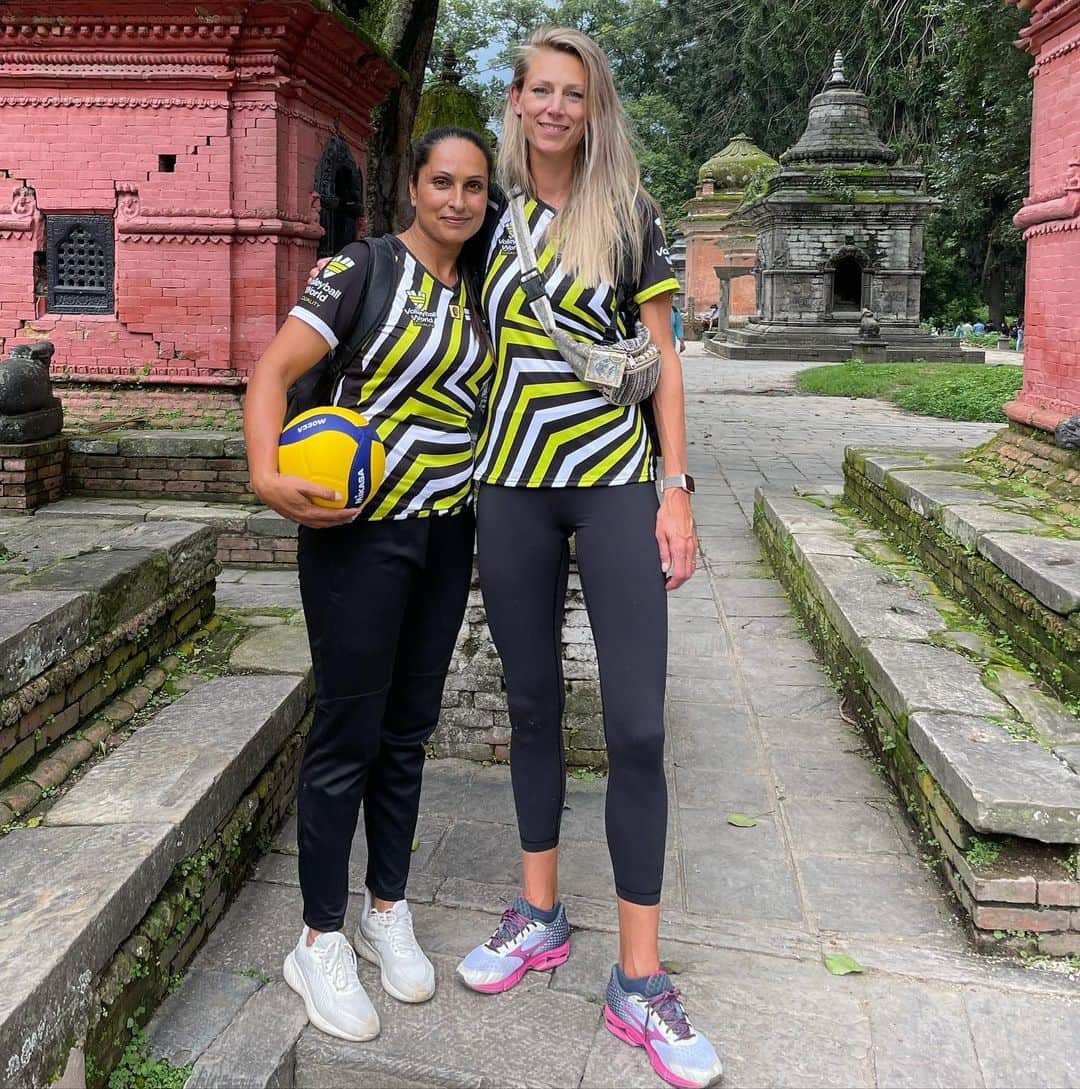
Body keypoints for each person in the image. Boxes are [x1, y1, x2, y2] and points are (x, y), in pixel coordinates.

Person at [454, 28, 722, 1089]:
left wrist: (676, 488)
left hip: (612, 482)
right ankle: (538, 913)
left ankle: (641, 978)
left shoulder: (630, 217)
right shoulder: (483, 217)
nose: (557, 107)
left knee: (638, 725)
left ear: (592, 105)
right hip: (508, 486)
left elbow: (660, 366)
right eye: (541, 91)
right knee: (530, 705)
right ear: (516, 101)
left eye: (575, 92)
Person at [243, 127, 494, 1042]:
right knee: (348, 732)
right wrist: (267, 474)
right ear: (413, 188)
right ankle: (318, 936)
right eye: (441, 182)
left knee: (408, 733)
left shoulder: (486, 293)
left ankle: (388, 905)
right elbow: (273, 371)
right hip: (360, 533)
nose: (457, 200)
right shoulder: (361, 269)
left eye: (473, 186)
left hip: (447, 531)